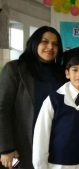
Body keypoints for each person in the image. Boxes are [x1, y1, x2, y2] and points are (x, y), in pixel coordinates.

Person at [0, 26, 65, 169]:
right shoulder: (14, 69)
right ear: (34, 43)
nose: (50, 47)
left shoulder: (61, 74)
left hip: (54, 144)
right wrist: (5, 148)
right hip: (22, 145)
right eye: (45, 42)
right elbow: (2, 109)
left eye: (55, 44)